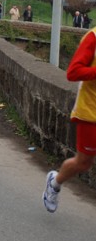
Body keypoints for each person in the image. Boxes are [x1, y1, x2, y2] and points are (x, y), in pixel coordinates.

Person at [43, 25, 96, 212]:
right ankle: (55, 182)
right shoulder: (93, 37)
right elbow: (73, 72)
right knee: (83, 162)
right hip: (91, 113)